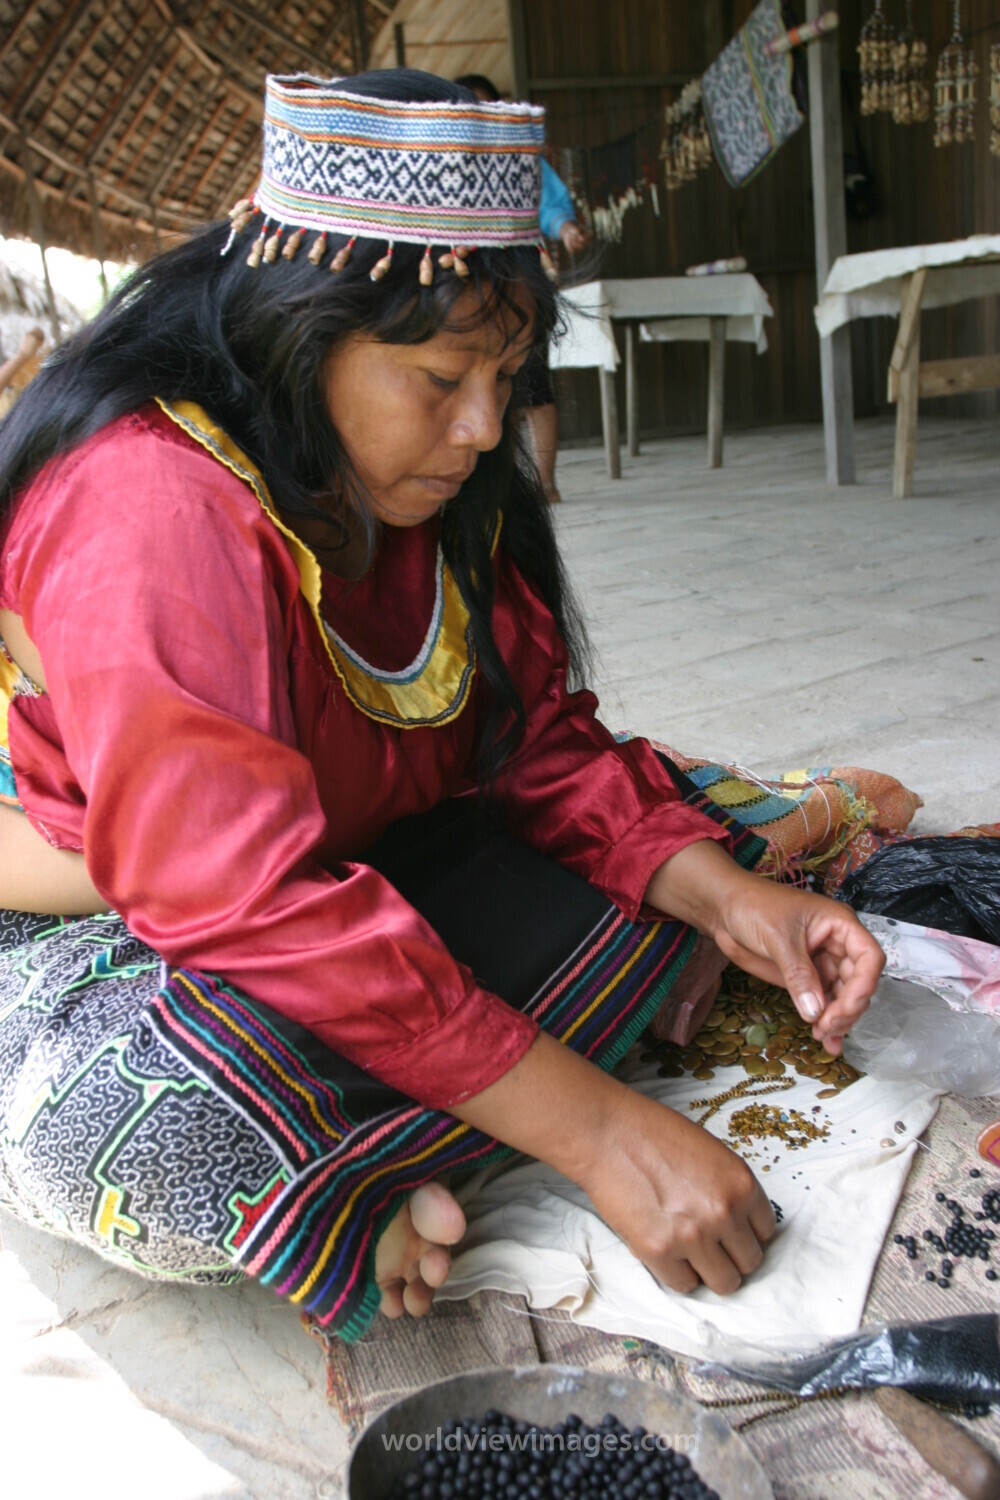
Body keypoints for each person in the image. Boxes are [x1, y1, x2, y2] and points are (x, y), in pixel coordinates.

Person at [0, 69, 883, 1343]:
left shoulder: (432, 478)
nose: (483, 428)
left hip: (364, 862)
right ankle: (369, 1162)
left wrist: (733, 900)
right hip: (152, 927)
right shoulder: (146, 498)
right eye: (440, 376)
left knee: (689, 864)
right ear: (298, 336)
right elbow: (236, 897)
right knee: (149, 1131)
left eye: (507, 371)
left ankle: (369, 1177)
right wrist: (606, 1138)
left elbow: (530, 745)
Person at [456, 73, 587, 504]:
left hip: (519, 284)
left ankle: (545, 483)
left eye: (486, 107)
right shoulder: (442, 160)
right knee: (488, 391)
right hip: (460, 291)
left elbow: (550, 202)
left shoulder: (519, 157)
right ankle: (503, 483)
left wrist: (565, 229)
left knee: (532, 386)